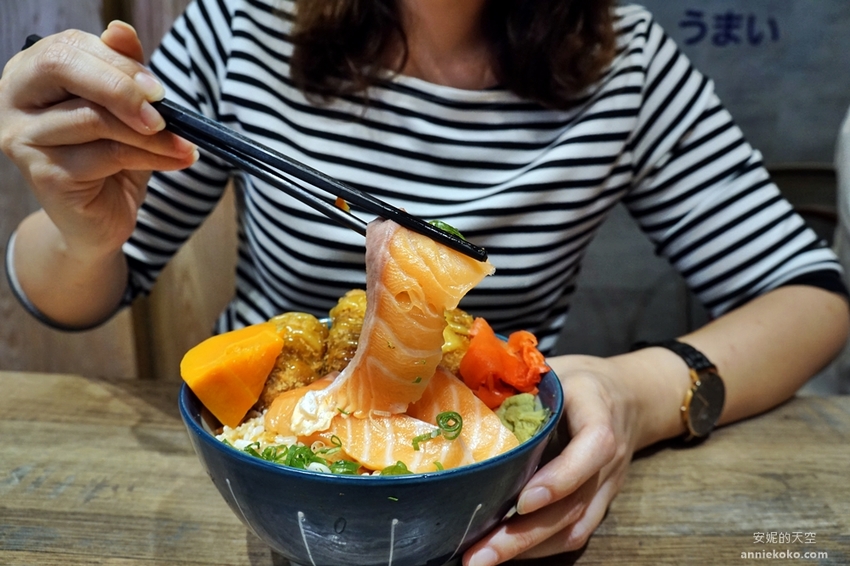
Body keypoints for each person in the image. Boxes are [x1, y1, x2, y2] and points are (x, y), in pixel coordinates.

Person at [1, 1, 847, 564]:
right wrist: (83, 232)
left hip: (495, 489)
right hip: (263, 471)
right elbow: (77, 296)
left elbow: (811, 293)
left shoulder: (628, 63)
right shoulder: (241, 23)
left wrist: (637, 389)